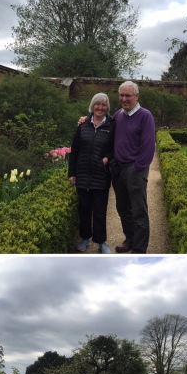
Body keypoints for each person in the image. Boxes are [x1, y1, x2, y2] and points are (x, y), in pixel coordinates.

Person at [112, 81, 156, 254]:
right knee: (123, 209)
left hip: (135, 169)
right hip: (119, 169)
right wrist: (86, 119)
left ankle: (139, 248)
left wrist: (138, 168)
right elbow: (105, 129)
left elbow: (148, 146)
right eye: (121, 95)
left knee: (139, 211)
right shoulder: (118, 115)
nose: (124, 99)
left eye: (128, 95)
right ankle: (129, 240)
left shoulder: (145, 116)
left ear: (136, 96)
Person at [68, 93, 115, 254]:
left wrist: (107, 158)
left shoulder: (111, 125)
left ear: (107, 108)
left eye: (103, 105)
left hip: (101, 175)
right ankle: (85, 238)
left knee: (100, 211)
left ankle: (101, 241)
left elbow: (115, 149)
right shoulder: (83, 124)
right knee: (84, 209)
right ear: (92, 105)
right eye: (97, 104)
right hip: (82, 174)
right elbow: (74, 151)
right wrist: (72, 173)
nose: (100, 107)